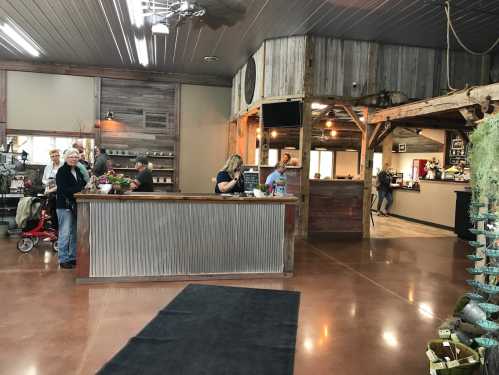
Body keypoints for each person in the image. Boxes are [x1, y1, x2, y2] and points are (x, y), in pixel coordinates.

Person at [56, 148, 86, 269]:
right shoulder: (62, 171)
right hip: (64, 206)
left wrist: (80, 188)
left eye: (76, 157)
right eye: (71, 157)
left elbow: (83, 184)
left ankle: (73, 257)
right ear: (66, 158)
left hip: (75, 205)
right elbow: (63, 189)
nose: (73, 159)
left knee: (74, 233)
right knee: (65, 233)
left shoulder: (78, 170)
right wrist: (78, 189)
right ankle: (63, 259)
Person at [42, 149, 61, 230]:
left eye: (56, 156)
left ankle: (60, 230)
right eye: (52, 156)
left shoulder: (63, 165)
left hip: (60, 191)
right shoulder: (48, 167)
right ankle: (54, 230)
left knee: (59, 211)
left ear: (59, 156)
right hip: (50, 190)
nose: (54, 158)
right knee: (52, 211)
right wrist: (47, 183)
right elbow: (43, 179)